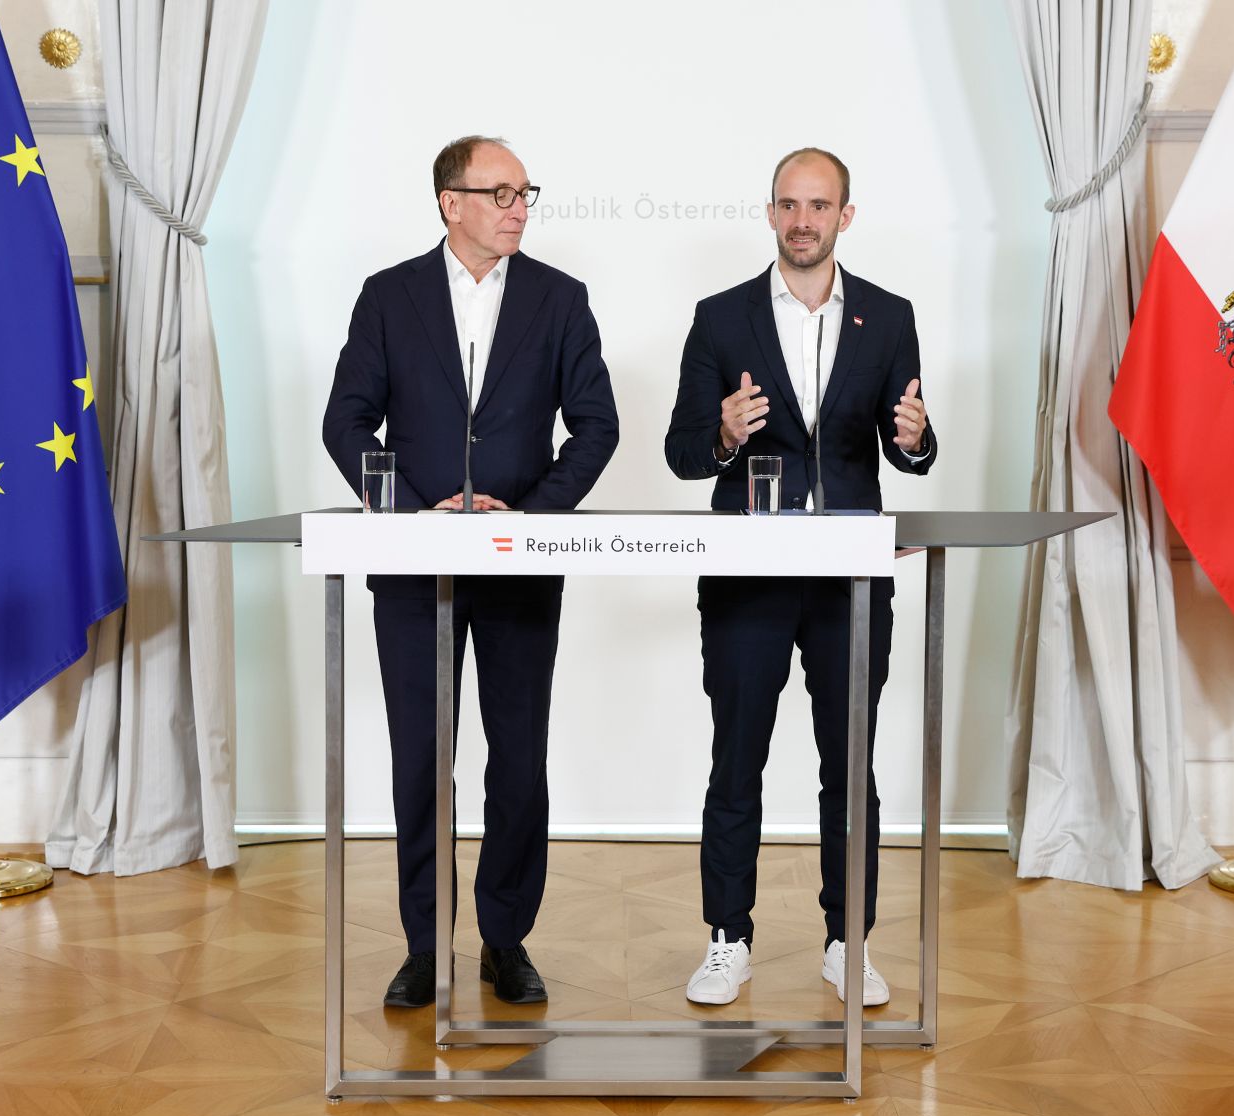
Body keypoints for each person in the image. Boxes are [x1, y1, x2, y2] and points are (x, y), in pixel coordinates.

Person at [324, 136, 619, 1008]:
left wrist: (528, 516)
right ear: (450, 202)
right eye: (500, 192)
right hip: (413, 564)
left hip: (521, 563)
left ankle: (504, 937)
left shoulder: (561, 299)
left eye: (526, 192)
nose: (519, 206)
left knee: (518, 759)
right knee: (422, 758)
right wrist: (417, 511)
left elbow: (595, 427)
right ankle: (425, 943)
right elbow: (347, 422)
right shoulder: (389, 297)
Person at [663, 147, 936, 1006]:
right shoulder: (721, 318)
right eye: (789, 204)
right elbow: (678, 453)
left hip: (852, 576)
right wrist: (723, 433)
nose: (803, 219)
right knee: (736, 757)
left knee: (848, 762)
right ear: (770, 212)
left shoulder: (888, 317)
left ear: (845, 215)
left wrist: (918, 434)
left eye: (820, 205)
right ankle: (726, 938)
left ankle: (846, 941)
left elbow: (909, 451)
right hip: (748, 574)